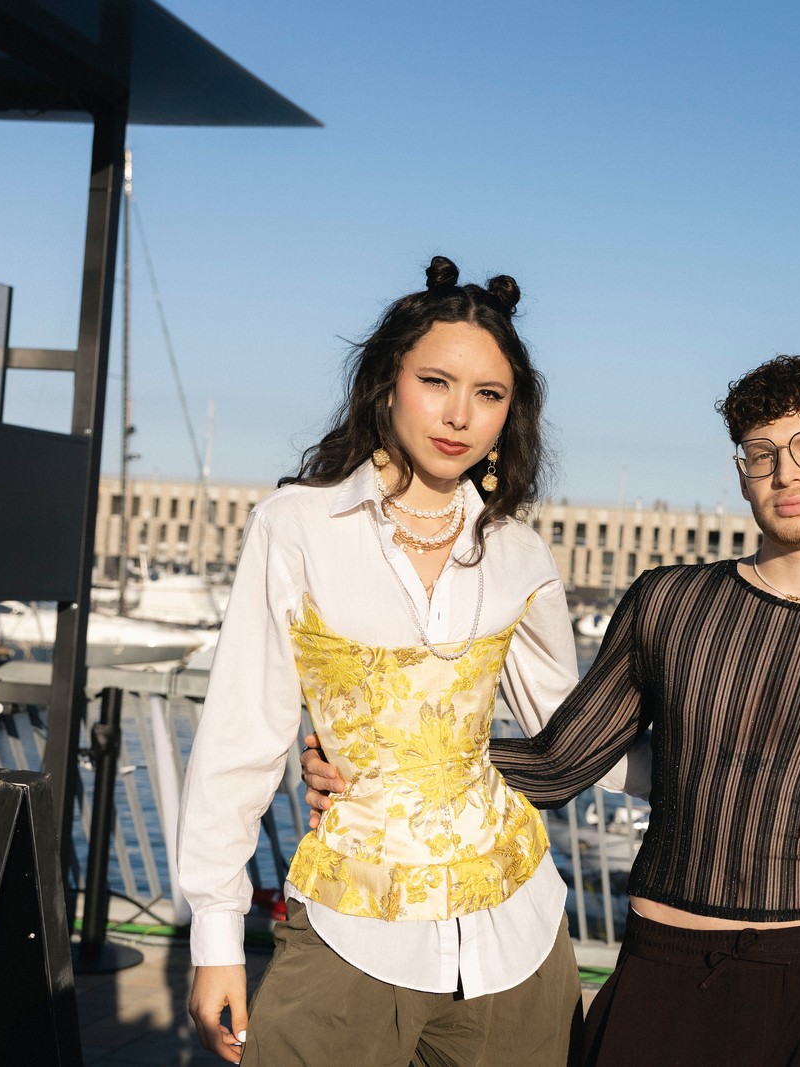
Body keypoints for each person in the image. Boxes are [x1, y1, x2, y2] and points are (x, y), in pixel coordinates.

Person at [303, 353, 800, 1064]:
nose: (785, 472)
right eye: (762, 452)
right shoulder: (669, 603)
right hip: (664, 975)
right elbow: (559, 764)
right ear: (743, 472)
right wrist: (374, 767)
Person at [178, 256, 646, 1065]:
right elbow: (241, 734)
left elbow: (571, 736)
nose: (459, 414)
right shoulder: (298, 525)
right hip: (352, 928)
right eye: (436, 381)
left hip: (518, 934)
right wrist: (215, 934)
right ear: (387, 381)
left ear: (511, 412)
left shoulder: (518, 552)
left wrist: (726, 776)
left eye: (489, 394)